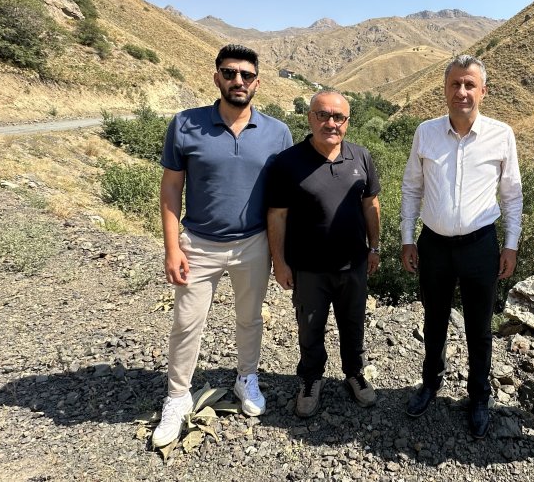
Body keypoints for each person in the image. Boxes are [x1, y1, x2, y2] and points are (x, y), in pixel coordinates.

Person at [152, 44, 293, 448]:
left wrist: (283, 254)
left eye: (246, 75)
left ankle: (246, 377)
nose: (238, 81)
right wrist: (172, 247)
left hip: (254, 243)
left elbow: (284, 200)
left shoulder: (277, 132)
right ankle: (178, 396)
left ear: (257, 83)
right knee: (186, 322)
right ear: (217, 77)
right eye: (229, 73)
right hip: (198, 243)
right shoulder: (185, 124)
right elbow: (171, 188)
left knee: (250, 318)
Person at [400, 55, 523, 439]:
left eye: (470, 84)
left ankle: (479, 397)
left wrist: (511, 245)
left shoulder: (501, 135)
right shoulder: (426, 132)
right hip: (434, 245)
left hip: (480, 246)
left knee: (479, 328)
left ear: (483, 91)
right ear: (445, 89)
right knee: (434, 320)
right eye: (455, 84)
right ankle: (430, 384)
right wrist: (407, 238)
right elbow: (412, 187)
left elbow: (512, 195)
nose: (462, 91)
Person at [266, 90, 382, 418]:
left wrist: (374, 247)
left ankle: (355, 373)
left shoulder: (361, 157)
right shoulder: (288, 162)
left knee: (353, 324)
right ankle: (310, 379)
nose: (331, 123)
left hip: (354, 265)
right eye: (323, 115)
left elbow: (371, 204)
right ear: (310, 118)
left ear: (347, 122)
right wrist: (279, 262)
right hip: (308, 269)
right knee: (310, 328)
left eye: (338, 117)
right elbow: (277, 215)